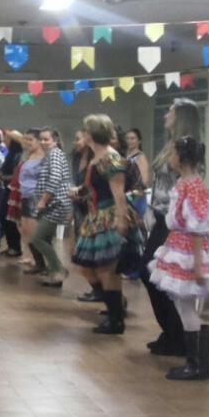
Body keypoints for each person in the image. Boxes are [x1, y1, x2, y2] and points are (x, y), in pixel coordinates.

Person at [149, 136, 209, 380]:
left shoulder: (192, 185)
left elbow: (198, 225)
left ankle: (197, 364)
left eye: (173, 153)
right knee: (183, 305)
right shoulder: (185, 183)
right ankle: (197, 363)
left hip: (188, 251)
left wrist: (198, 265)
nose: (170, 158)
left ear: (182, 157)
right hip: (180, 246)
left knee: (185, 305)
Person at [141, 98, 202, 356]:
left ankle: (177, 336)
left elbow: (188, 185)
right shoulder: (170, 145)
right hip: (160, 216)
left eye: (170, 111)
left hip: (173, 222)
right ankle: (170, 332)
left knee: (157, 275)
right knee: (151, 273)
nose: (166, 115)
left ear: (181, 116)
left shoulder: (188, 148)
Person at [72, 115, 143, 333]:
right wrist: (79, 191)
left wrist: (121, 219)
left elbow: (118, 193)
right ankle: (116, 305)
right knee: (89, 267)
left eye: (85, 131)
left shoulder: (110, 158)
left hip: (108, 216)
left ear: (91, 134)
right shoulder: (97, 157)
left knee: (107, 269)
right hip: (97, 216)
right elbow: (93, 186)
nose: (83, 135)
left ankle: (116, 319)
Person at [32, 128, 72, 287]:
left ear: (54, 141)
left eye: (46, 139)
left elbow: (55, 178)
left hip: (56, 203)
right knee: (46, 238)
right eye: (41, 139)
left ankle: (59, 269)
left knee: (38, 238)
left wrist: (43, 200)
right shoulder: (49, 155)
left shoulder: (55, 154)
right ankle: (54, 273)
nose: (42, 142)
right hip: (51, 204)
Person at [70, 130, 102, 301]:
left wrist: (81, 194)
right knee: (82, 252)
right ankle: (97, 289)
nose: (75, 142)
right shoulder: (76, 158)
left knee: (90, 252)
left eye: (78, 139)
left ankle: (103, 292)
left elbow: (95, 186)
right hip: (78, 206)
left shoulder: (97, 159)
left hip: (93, 208)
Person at [9, 129, 46, 271]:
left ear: (39, 141)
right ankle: (37, 261)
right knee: (25, 230)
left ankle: (43, 263)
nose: (27, 142)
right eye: (26, 139)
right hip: (25, 195)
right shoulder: (28, 156)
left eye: (31, 139)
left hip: (35, 196)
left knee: (34, 233)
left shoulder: (45, 158)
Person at [0, 134, 23, 257]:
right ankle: (11, 245)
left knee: (8, 218)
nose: (4, 141)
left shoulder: (18, 155)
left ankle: (15, 247)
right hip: (7, 188)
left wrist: (2, 177)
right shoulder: (10, 154)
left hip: (13, 190)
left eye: (6, 139)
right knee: (3, 216)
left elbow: (16, 175)